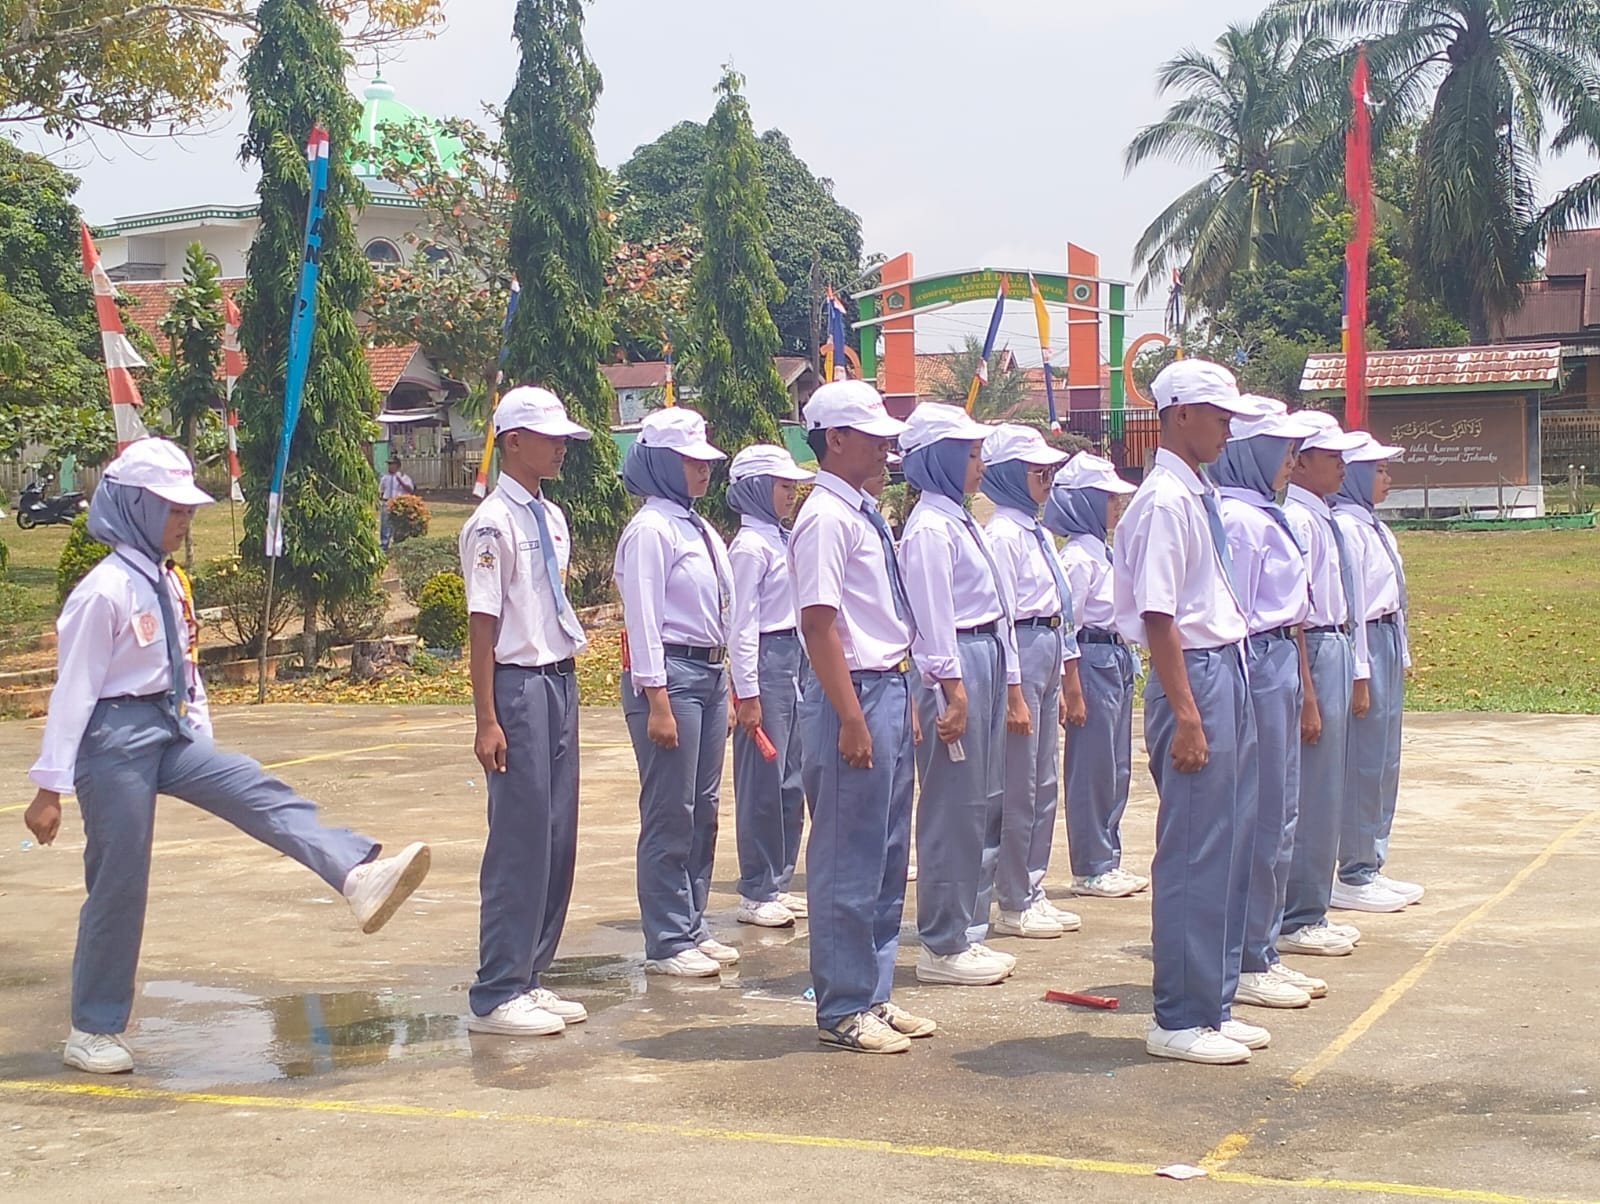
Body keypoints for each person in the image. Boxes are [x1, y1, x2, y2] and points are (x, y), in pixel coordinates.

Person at [23, 438, 431, 1075]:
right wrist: (50, 790)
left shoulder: (167, 580)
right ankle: (93, 1027)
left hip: (170, 728)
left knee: (253, 786)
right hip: (113, 739)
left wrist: (199, 737)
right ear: (133, 507)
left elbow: (185, 668)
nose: (184, 520)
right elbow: (73, 692)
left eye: (186, 509)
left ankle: (355, 872)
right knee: (119, 879)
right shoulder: (103, 592)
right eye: (172, 509)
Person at [1113, 359, 1275, 1065]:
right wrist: (1184, 713)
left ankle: (1213, 1001)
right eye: (1218, 413)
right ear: (1180, 413)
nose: (1227, 427)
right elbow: (1158, 616)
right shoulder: (1165, 501)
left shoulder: (1197, 492)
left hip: (1222, 667)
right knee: (1194, 851)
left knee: (1231, 845)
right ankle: (1177, 1014)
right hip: (1195, 676)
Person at [790, 379, 931, 1054]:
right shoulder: (825, 517)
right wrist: (850, 717)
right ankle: (843, 1004)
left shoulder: (864, 513)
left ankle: (872, 990)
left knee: (884, 854)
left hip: (886, 687)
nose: (884, 444)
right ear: (834, 439)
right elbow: (819, 625)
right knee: (847, 854)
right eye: (870, 433)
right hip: (854, 692)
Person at [459, 386, 594, 1037]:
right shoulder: (493, 522)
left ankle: (530, 974)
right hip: (516, 683)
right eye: (549, 436)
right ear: (513, 441)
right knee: (518, 838)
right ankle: (497, 987)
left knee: (556, 835)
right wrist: (486, 717)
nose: (561, 445)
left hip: (559, 681)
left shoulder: (551, 515)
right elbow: (483, 625)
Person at [898, 402, 1020, 987]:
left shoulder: (961, 520)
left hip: (982, 655)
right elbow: (934, 617)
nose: (979, 465)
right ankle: (942, 941)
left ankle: (962, 928)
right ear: (940, 460)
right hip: (956, 664)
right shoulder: (929, 529)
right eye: (969, 455)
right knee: (952, 804)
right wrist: (952, 688)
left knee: (981, 798)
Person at [1213, 404, 1329, 1011]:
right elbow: (1241, 611)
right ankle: (1248, 953)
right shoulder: (1236, 519)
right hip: (1255, 659)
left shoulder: (1267, 514)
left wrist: (1306, 687)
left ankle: (1263, 944)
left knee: (1280, 811)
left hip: (1280, 657)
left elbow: (1296, 614)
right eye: (1282, 449)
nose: (1292, 460)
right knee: (1257, 813)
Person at [614, 408, 736, 978]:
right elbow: (642, 620)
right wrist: (656, 700)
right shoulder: (650, 530)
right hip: (671, 678)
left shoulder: (696, 526)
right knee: (670, 809)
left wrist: (730, 682)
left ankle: (692, 921)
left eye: (706, 463)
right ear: (663, 464)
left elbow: (723, 613)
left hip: (708, 677)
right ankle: (666, 937)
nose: (703, 472)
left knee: (704, 809)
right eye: (691, 463)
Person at [978, 424, 1082, 939]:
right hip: (1020, 648)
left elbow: (1059, 608)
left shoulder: (1036, 532)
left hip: (1047, 644)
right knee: (1017, 785)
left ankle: (1032, 885)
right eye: (1036, 470)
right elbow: (1002, 617)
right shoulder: (1002, 536)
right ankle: (1013, 895)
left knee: (1044, 781)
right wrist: (1015, 688)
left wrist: (1066, 673)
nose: (1046, 478)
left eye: (1048, 471)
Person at [1279, 412, 1368, 959]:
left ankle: (1313, 904)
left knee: (1328, 786)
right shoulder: (1301, 520)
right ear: (1301, 460)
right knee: (1310, 789)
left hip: (1336, 643)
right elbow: (1297, 616)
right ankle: (1299, 912)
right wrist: (1308, 692)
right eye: (1330, 457)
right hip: (1314, 648)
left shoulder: (1325, 517)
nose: (1341, 466)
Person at [1043, 453, 1147, 900]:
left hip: (1115, 656)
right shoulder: (1078, 559)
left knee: (1116, 765)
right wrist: (1072, 684)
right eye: (1106, 499)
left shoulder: (1101, 552)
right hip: (1092, 657)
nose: (1115, 507)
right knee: (1093, 766)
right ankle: (1091, 863)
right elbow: (1071, 622)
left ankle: (1109, 855)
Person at [726, 443, 815, 929]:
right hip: (765, 657)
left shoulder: (781, 539)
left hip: (794, 657)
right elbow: (741, 624)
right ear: (757, 489)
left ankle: (779, 879)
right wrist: (748, 691)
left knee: (791, 779)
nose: (790, 496)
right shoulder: (749, 547)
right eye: (782, 487)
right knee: (763, 779)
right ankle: (757, 886)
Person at [1333, 433, 1423, 911]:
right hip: (1365, 639)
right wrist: (1361, 670)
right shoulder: (1346, 528)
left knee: (1385, 759)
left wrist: (1400, 651)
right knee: (1365, 760)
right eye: (1379, 471)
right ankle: (1354, 869)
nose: (1387, 478)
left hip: (1386, 637)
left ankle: (1371, 861)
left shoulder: (1375, 527)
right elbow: (1353, 605)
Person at [378, 454, 415, 551]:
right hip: (386, 502)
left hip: (398, 503)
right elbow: (381, 491)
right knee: (385, 524)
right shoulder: (385, 477)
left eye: (392, 464)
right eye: (389, 464)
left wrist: (400, 481)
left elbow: (410, 489)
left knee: (397, 525)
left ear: (397, 465)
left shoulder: (403, 476)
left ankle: (397, 545)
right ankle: (384, 545)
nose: (390, 466)